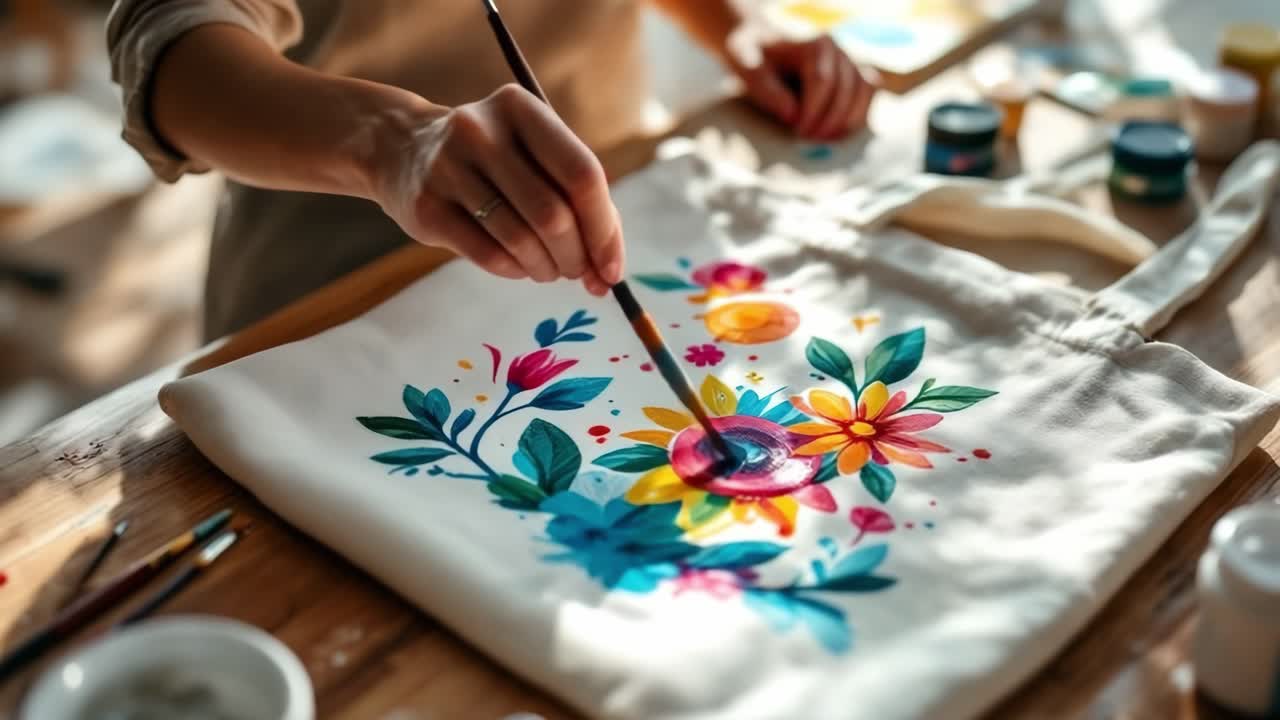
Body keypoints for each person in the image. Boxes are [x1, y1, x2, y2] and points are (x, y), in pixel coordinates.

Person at [108, 1, 874, 340]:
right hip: (342, 296)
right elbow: (171, 53)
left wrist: (737, 26)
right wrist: (395, 144)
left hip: (622, 205)